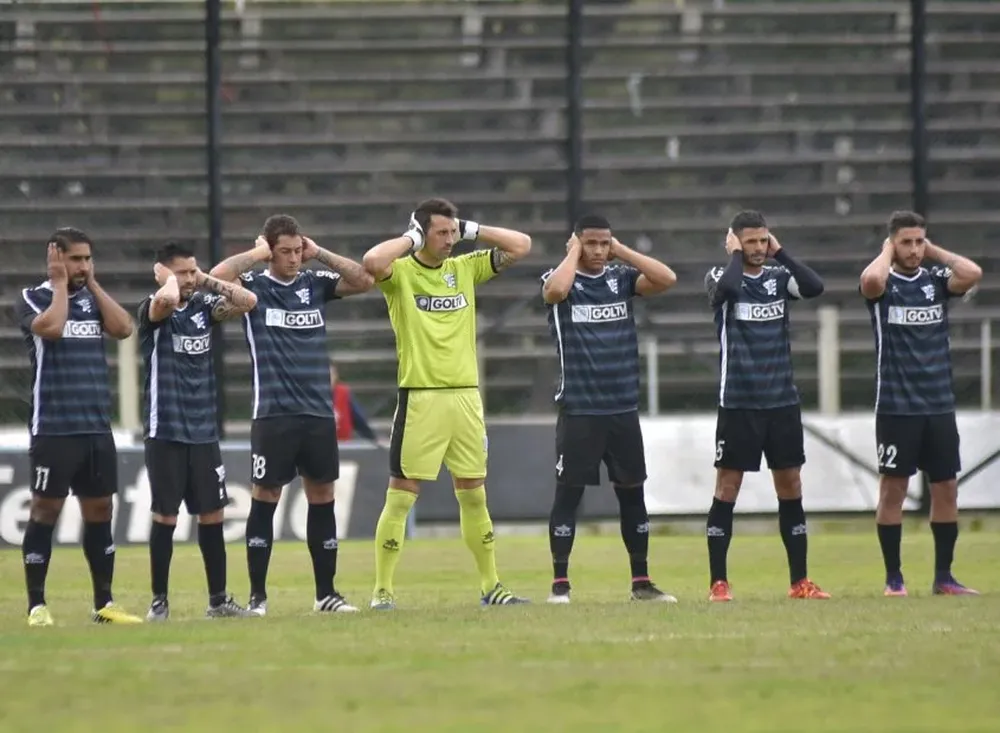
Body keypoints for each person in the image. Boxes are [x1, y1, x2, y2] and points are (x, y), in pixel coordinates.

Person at [361, 198, 532, 609]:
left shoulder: (464, 268)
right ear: (421, 232)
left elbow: (522, 245)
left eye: (453, 232)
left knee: (474, 494)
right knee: (401, 495)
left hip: (465, 398)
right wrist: (410, 238)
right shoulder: (400, 273)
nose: (450, 240)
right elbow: (370, 261)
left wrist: (472, 228)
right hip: (421, 397)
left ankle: (491, 586)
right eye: (441, 232)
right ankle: (382, 590)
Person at [209, 214, 373, 615]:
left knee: (323, 496)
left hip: (318, 413)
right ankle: (258, 598)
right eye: (285, 252)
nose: (294, 259)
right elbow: (217, 274)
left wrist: (322, 254)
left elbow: (364, 280)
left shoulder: (314, 285)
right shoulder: (252, 288)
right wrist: (256, 254)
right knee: (266, 497)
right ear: (269, 252)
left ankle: (326, 594)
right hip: (273, 414)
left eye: (298, 250)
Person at [540, 214, 679, 604]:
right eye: (592, 244)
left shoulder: (620, 279)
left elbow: (666, 279)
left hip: (622, 407)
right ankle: (560, 585)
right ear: (577, 243)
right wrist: (572, 254)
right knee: (568, 494)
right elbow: (554, 292)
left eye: (605, 244)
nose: (599, 251)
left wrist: (622, 251)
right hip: (581, 408)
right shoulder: (560, 277)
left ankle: (642, 582)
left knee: (632, 493)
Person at [18, 229, 142, 626]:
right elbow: (51, 328)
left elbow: (124, 328)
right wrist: (59, 286)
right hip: (54, 427)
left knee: (100, 509)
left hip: (95, 427)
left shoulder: (93, 298)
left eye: (88, 259)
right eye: (76, 260)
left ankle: (103, 603)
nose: (83, 267)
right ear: (56, 260)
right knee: (46, 509)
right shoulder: (33, 297)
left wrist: (94, 286)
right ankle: (37, 605)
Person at [704, 210, 828, 602]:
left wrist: (782, 253)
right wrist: (735, 257)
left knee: (790, 485)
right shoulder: (721, 276)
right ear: (736, 242)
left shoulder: (778, 279)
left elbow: (814, 287)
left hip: (781, 403)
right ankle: (719, 583)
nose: (758, 249)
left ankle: (799, 582)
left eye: (763, 241)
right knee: (728, 487)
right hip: (739, 402)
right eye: (750, 242)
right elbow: (725, 289)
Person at [859, 210, 983, 596]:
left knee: (946, 488)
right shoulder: (883, 284)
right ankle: (894, 579)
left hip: (939, 405)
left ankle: (944, 577)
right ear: (892, 244)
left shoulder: (935, 280)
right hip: (897, 407)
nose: (913, 250)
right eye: (905, 242)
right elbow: (871, 280)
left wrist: (934, 252)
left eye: (918, 242)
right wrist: (885, 252)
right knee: (893, 491)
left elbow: (972, 273)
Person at [139, 242, 259, 621]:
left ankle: (218, 600)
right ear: (162, 273)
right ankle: (159, 600)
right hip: (167, 430)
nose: (189, 279)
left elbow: (248, 300)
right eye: (182, 272)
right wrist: (170, 282)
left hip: (204, 431)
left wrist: (203, 279)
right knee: (166, 518)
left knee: (212, 515)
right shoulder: (153, 309)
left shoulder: (204, 309)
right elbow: (167, 299)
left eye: (193, 270)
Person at [329, 361, 379, 445]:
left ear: (336, 376)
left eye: (331, 375)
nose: (329, 379)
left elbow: (359, 419)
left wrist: (373, 439)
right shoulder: (312, 395)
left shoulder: (344, 393)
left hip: (343, 445)